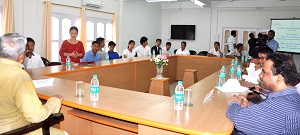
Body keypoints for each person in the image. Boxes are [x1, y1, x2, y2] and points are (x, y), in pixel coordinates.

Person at [0, 33, 66, 134]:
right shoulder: (19, 75)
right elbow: (36, 116)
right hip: (15, 130)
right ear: (22, 56)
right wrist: (54, 101)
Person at [226, 53, 300, 134]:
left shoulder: (279, 106)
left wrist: (233, 102)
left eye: (264, 72)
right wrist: (249, 105)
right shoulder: (292, 97)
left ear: (278, 79)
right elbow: (270, 115)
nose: (260, 75)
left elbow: (238, 118)